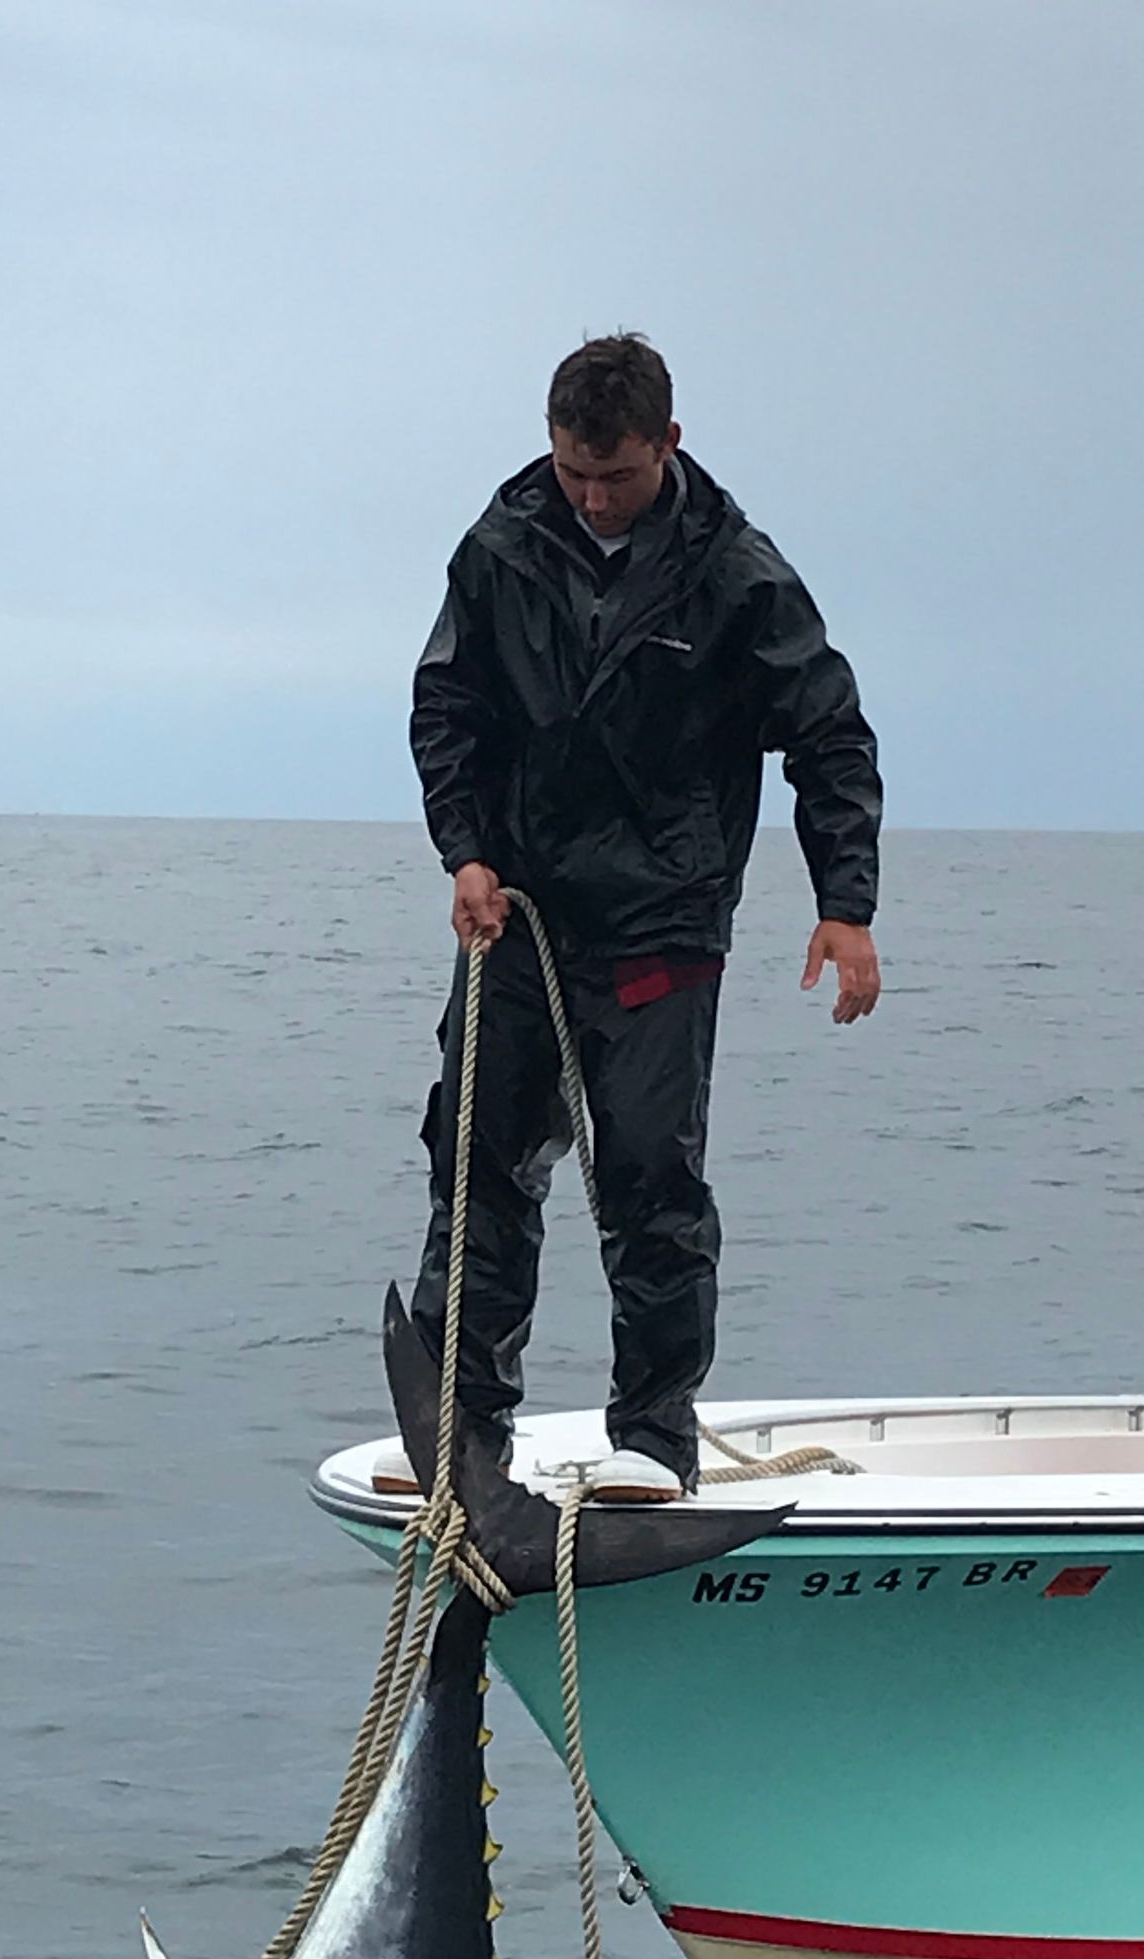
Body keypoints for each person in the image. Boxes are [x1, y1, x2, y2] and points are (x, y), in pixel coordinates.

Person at [409, 333, 881, 1498]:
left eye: (614, 476)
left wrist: (846, 904)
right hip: (516, 917)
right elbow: (449, 702)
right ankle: (462, 1426)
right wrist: (463, 850)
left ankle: (654, 1440)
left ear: (667, 444)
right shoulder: (502, 546)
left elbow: (828, 733)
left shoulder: (737, 573)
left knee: (650, 1185)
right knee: (477, 1163)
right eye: (574, 471)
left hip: (663, 921)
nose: (593, 496)